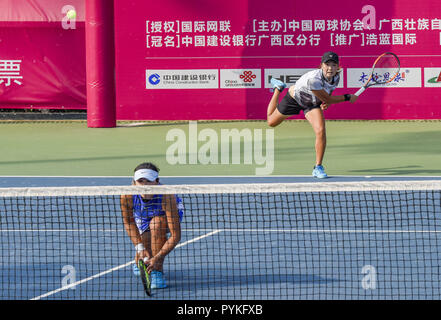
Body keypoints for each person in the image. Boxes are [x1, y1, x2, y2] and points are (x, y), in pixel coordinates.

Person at [266, 51, 358, 178]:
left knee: (320, 131)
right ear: (321, 66)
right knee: (271, 122)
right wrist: (347, 97)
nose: (330, 68)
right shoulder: (314, 79)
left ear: (338, 67)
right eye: (327, 64)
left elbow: (327, 95)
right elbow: (330, 98)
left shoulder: (336, 77)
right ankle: (278, 88)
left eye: (333, 65)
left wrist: (325, 102)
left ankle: (318, 167)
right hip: (295, 99)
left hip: (311, 104)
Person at [120, 162, 183, 289]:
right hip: (142, 216)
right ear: (134, 183)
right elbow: (129, 222)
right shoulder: (127, 195)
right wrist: (139, 247)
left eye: (148, 181)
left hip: (165, 214)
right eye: (141, 181)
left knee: (157, 225)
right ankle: (139, 258)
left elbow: (175, 236)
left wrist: (157, 258)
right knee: (145, 246)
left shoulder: (167, 196)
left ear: (157, 181)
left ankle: (157, 272)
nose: (144, 185)